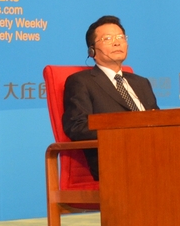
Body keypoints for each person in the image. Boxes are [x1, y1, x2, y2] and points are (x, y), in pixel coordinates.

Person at [61, 15, 159, 179]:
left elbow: (158, 120)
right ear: (92, 50)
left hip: (154, 154)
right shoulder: (81, 82)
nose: (117, 42)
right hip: (115, 161)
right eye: (107, 38)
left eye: (121, 37)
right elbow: (77, 127)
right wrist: (127, 131)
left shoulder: (141, 83)